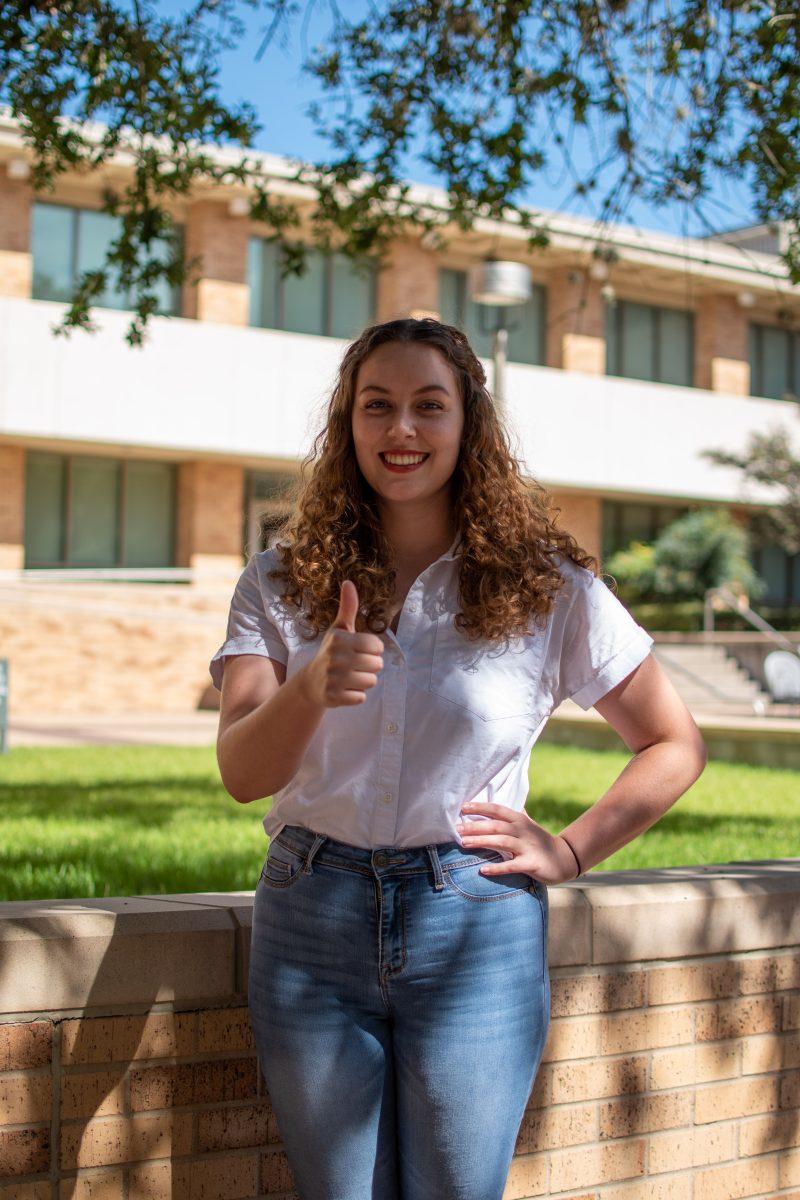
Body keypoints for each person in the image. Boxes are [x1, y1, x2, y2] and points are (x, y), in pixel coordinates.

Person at [209, 317, 707, 1200]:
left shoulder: (548, 587)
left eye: (428, 406)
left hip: (473, 924)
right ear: (348, 425)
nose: (402, 430)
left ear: (468, 423)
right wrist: (310, 685)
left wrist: (573, 847)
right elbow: (244, 772)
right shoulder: (279, 579)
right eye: (378, 406)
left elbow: (673, 743)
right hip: (311, 918)